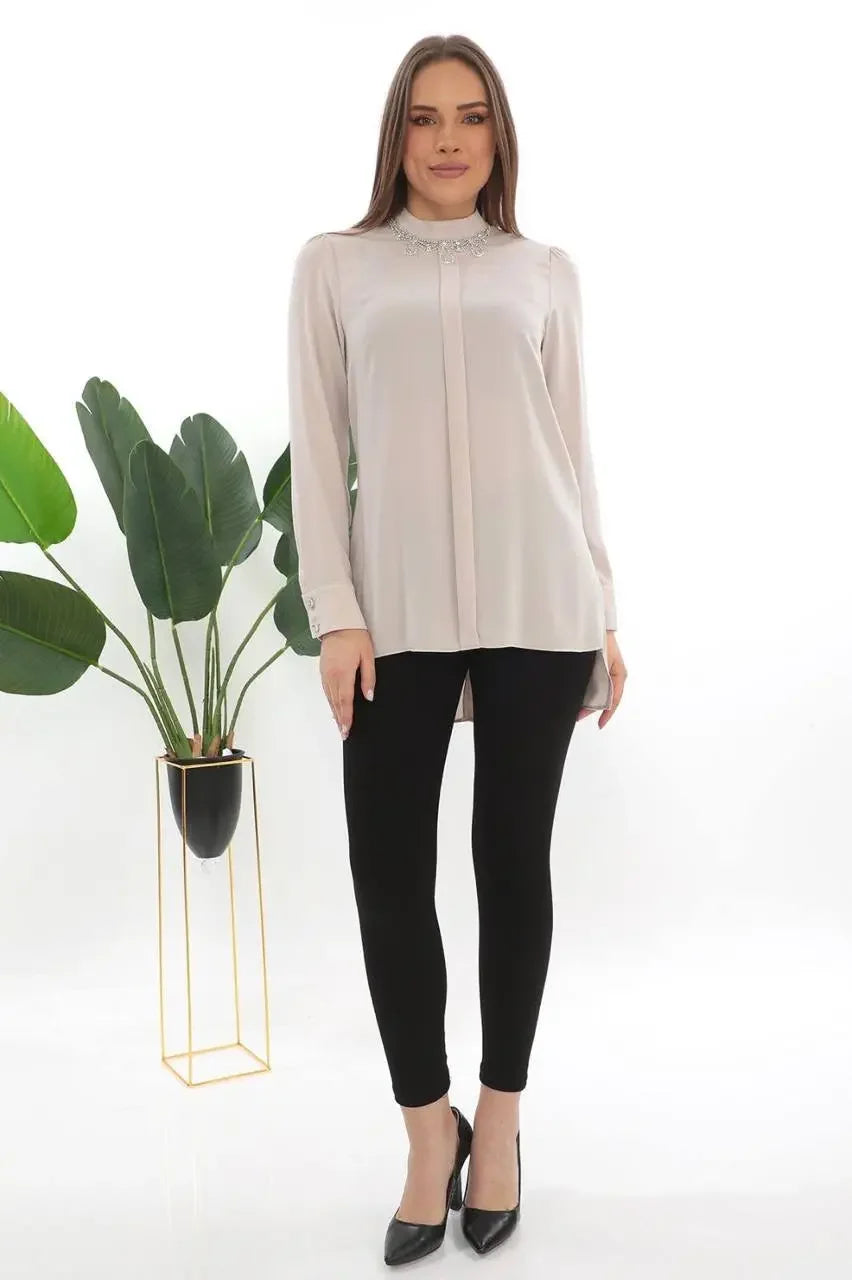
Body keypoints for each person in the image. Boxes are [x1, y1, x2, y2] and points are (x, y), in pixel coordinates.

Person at [287, 33, 628, 1266]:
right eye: (426, 117)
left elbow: (572, 445)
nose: (447, 139)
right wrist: (336, 607)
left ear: (498, 135)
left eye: (471, 116)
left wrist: (603, 606)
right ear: (397, 135)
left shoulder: (544, 271)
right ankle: (426, 1130)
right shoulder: (336, 266)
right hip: (396, 611)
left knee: (510, 864)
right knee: (388, 872)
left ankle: (501, 1122)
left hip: (542, 597)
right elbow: (318, 442)